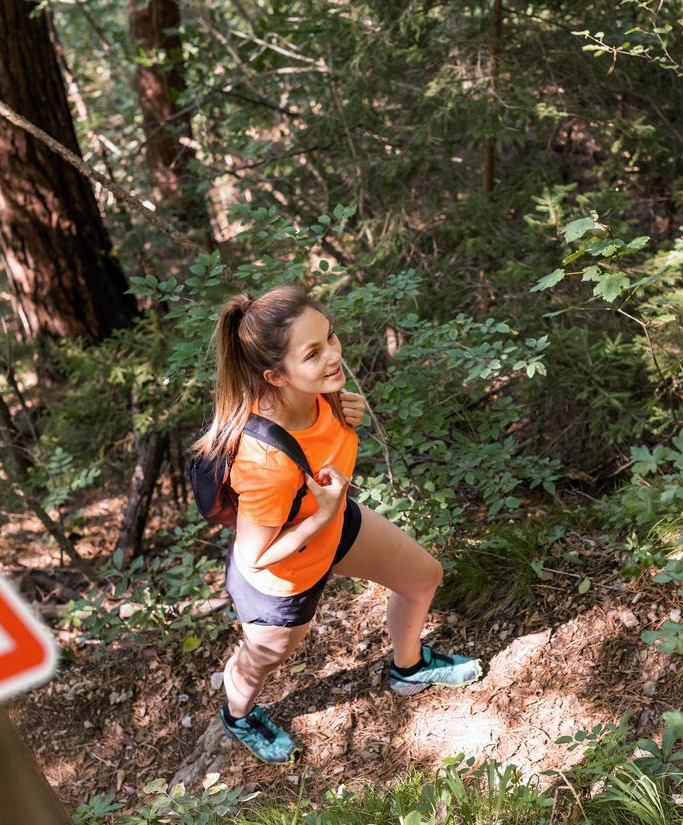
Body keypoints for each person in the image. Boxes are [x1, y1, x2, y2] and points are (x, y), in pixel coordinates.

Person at [194, 283, 481, 765]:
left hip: (332, 528)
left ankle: (408, 668)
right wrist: (324, 512)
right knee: (264, 658)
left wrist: (348, 420)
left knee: (422, 577)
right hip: (282, 579)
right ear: (276, 376)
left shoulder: (323, 397)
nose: (333, 356)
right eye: (313, 353)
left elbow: (329, 459)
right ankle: (238, 715)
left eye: (330, 337)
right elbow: (254, 557)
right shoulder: (263, 460)